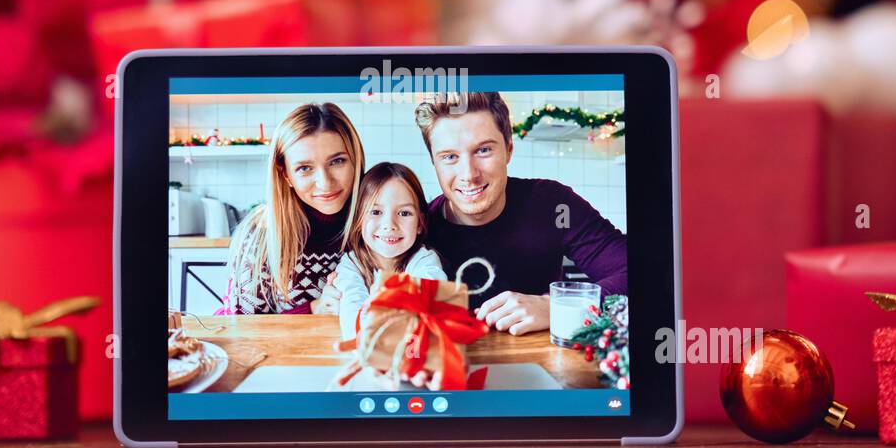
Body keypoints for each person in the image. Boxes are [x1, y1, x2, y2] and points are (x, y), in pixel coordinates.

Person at [414, 92, 628, 335]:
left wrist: (556, 307)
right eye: (450, 157)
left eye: (483, 150)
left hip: (545, 369)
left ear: (508, 150)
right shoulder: (419, 228)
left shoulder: (553, 205)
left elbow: (637, 271)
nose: (469, 175)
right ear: (434, 162)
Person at [221, 102, 364, 315]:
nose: (325, 183)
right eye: (305, 168)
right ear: (286, 174)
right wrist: (313, 310)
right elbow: (242, 328)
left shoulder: (378, 222)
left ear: (356, 160)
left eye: (337, 161)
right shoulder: (260, 233)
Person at [334, 162, 446, 338]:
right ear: (359, 218)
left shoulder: (424, 260)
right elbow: (350, 311)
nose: (389, 225)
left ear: (420, 223)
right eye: (376, 212)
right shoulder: (351, 264)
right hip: (367, 353)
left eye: (404, 213)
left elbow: (430, 294)